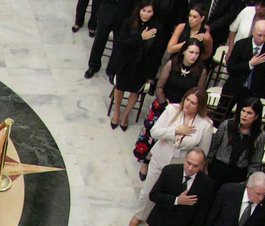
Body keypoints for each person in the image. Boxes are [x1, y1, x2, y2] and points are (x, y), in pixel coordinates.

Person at [129, 89, 213, 226]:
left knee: (168, 194)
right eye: (187, 100)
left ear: (200, 106)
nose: (188, 104)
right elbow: (154, 132)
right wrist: (175, 131)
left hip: (179, 165)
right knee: (148, 190)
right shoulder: (172, 110)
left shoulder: (205, 124)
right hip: (161, 157)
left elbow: (203, 151)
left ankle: (153, 222)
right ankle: (139, 215)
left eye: (193, 103)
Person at [135, 38, 208, 174]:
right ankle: (145, 161)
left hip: (184, 108)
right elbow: (160, 86)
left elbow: (198, 93)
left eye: (196, 53)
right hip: (164, 102)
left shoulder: (201, 70)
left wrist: (182, 107)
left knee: (173, 135)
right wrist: (165, 104)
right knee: (152, 132)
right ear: (184, 51)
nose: (193, 56)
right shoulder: (172, 63)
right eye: (191, 52)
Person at [107, 1, 163, 131]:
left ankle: (126, 115)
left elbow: (156, 54)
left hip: (142, 67)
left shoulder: (157, 28)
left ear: (153, 12)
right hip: (125, 63)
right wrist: (141, 38)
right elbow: (122, 44)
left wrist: (151, 75)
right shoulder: (129, 22)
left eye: (149, 11)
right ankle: (117, 112)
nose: (146, 14)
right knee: (119, 87)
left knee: (135, 91)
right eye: (144, 11)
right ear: (139, 10)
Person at [221, 20, 265, 112]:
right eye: (259, 35)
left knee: (244, 117)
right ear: (253, 32)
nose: (262, 39)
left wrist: (261, 92)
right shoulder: (241, 44)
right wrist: (250, 64)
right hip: (234, 88)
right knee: (221, 112)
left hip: (254, 93)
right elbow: (230, 68)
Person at [206, 97, 265, 186]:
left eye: (249, 113)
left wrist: (249, 180)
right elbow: (213, 147)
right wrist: (206, 166)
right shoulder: (227, 125)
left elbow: (255, 162)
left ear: (256, 116)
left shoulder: (260, 135)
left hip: (238, 175)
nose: (244, 115)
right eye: (243, 111)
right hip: (217, 168)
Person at [85, 0, 129, 79]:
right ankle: (93, 66)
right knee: (99, 42)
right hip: (106, 12)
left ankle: (111, 70)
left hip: (123, 16)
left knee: (117, 46)